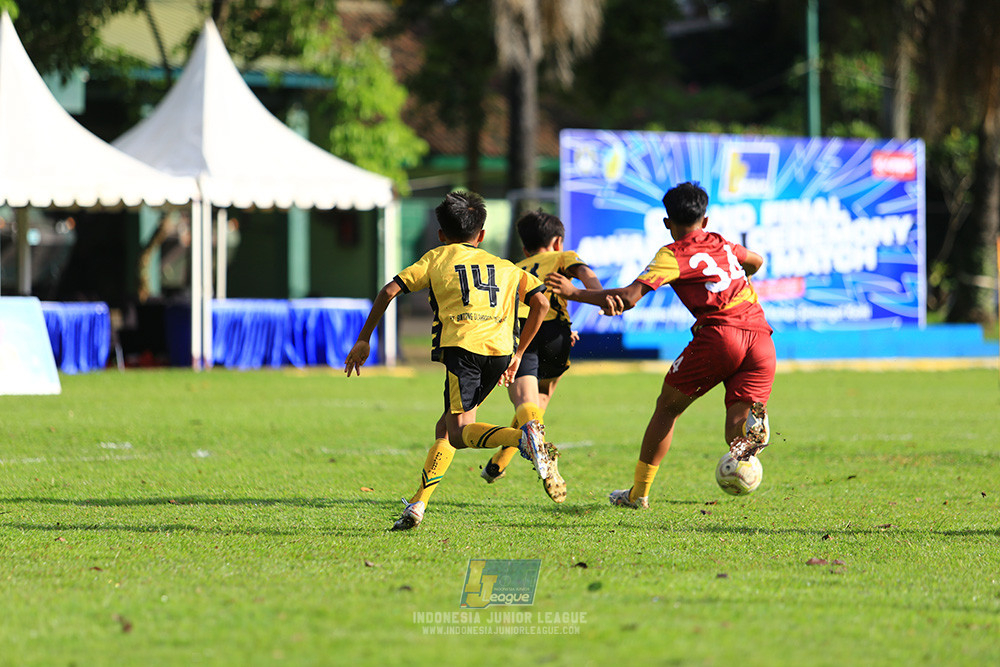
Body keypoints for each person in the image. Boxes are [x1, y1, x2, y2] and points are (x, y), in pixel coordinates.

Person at [546, 182, 774, 509]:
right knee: (735, 438)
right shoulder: (721, 243)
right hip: (761, 338)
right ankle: (754, 427)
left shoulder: (673, 254)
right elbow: (756, 260)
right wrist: (745, 274)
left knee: (667, 408)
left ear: (667, 222)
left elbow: (628, 297)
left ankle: (638, 494)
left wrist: (575, 293)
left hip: (721, 336)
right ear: (705, 220)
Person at [345, 190, 556, 530]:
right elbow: (542, 304)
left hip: (463, 349)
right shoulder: (505, 266)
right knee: (445, 427)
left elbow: (389, 291)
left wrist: (364, 338)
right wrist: (518, 354)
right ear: (481, 235)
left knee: (457, 434)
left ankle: (522, 439)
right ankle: (418, 504)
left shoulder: (437, 257)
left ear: (441, 234)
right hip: (501, 351)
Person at [480, 209, 604, 504]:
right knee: (541, 398)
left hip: (521, 331)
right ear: (558, 241)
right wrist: (598, 297)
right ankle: (500, 462)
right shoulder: (563, 256)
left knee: (526, 403)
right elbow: (589, 278)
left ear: (525, 249)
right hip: (556, 333)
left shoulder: (513, 267)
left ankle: (542, 455)